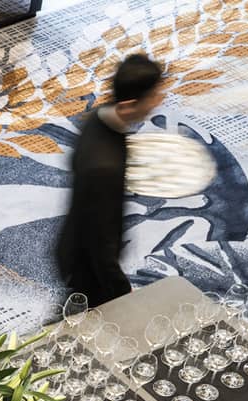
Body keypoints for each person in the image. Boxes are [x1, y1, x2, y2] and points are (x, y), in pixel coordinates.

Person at [54, 54, 165, 308]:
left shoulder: (99, 117)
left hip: (77, 243)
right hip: (87, 265)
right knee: (93, 321)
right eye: (154, 96)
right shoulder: (104, 168)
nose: (159, 101)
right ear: (128, 105)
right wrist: (121, 291)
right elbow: (99, 243)